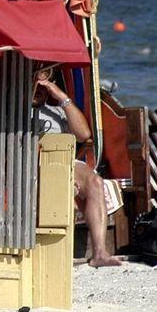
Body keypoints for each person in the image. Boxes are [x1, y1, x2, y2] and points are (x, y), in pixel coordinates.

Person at [34, 69, 122, 267]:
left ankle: (100, 253)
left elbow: (83, 135)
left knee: (94, 181)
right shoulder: (10, 107)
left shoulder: (57, 111)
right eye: (35, 84)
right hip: (30, 163)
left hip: (61, 159)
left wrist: (62, 98)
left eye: (43, 85)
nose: (39, 90)